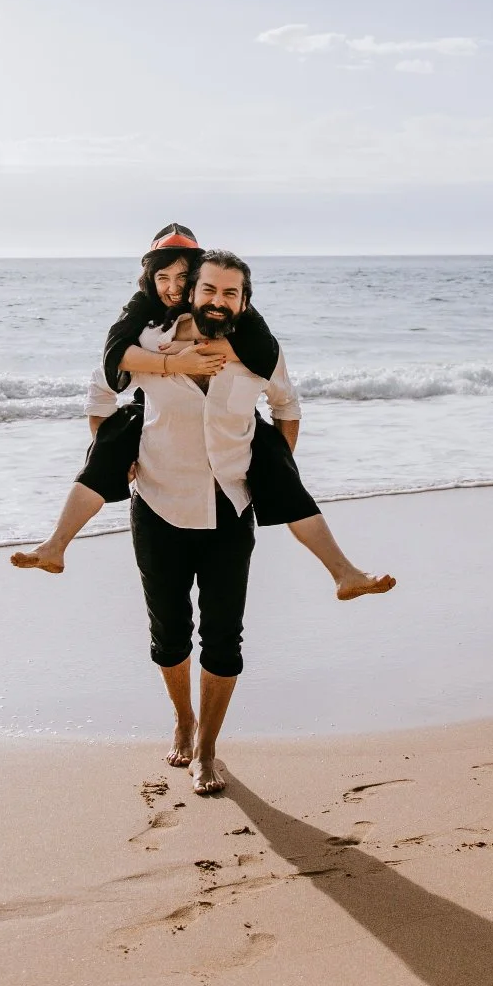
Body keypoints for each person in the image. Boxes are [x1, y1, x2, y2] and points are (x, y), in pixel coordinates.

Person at [9, 225, 392, 601]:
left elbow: (276, 377)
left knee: (281, 472)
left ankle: (344, 573)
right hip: (150, 416)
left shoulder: (239, 317)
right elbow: (110, 365)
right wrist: (174, 365)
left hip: (237, 437)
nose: (173, 287)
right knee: (109, 444)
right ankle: (56, 545)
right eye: (163, 277)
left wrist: (274, 462)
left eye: (183, 277)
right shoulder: (146, 316)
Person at [125, 249, 291, 792]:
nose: (218, 301)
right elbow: (103, 392)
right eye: (210, 290)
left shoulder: (258, 353)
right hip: (157, 505)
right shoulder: (153, 343)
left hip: (229, 508)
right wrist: (112, 452)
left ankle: (207, 749)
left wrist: (273, 471)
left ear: (244, 301)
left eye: (231, 293)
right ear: (192, 292)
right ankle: (182, 718)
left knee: (223, 639)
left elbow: (286, 407)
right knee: (169, 637)